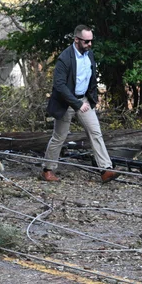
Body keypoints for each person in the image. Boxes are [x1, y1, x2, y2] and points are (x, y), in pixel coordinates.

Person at [41, 24, 119, 184]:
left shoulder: (89, 54)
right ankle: (47, 170)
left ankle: (105, 169)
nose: (90, 44)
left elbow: (91, 78)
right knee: (59, 136)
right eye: (86, 42)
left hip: (83, 100)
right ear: (76, 40)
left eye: (91, 41)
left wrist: (91, 99)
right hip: (66, 102)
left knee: (95, 132)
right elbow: (59, 85)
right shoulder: (65, 58)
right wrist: (76, 103)